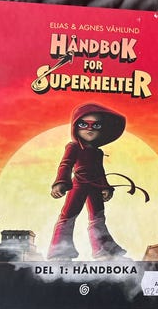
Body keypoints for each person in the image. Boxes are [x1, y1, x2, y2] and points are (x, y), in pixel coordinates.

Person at [47, 103, 127, 261]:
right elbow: (65, 164)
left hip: (95, 186)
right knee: (68, 216)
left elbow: (100, 171)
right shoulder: (73, 147)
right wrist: (60, 182)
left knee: (98, 217)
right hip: (78, 184)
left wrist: (105, 187)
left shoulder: (98, 152)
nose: (89, 129)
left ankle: (103, 250)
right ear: (76, 127)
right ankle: (59, 252)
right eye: (84, 124)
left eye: (96, 125)